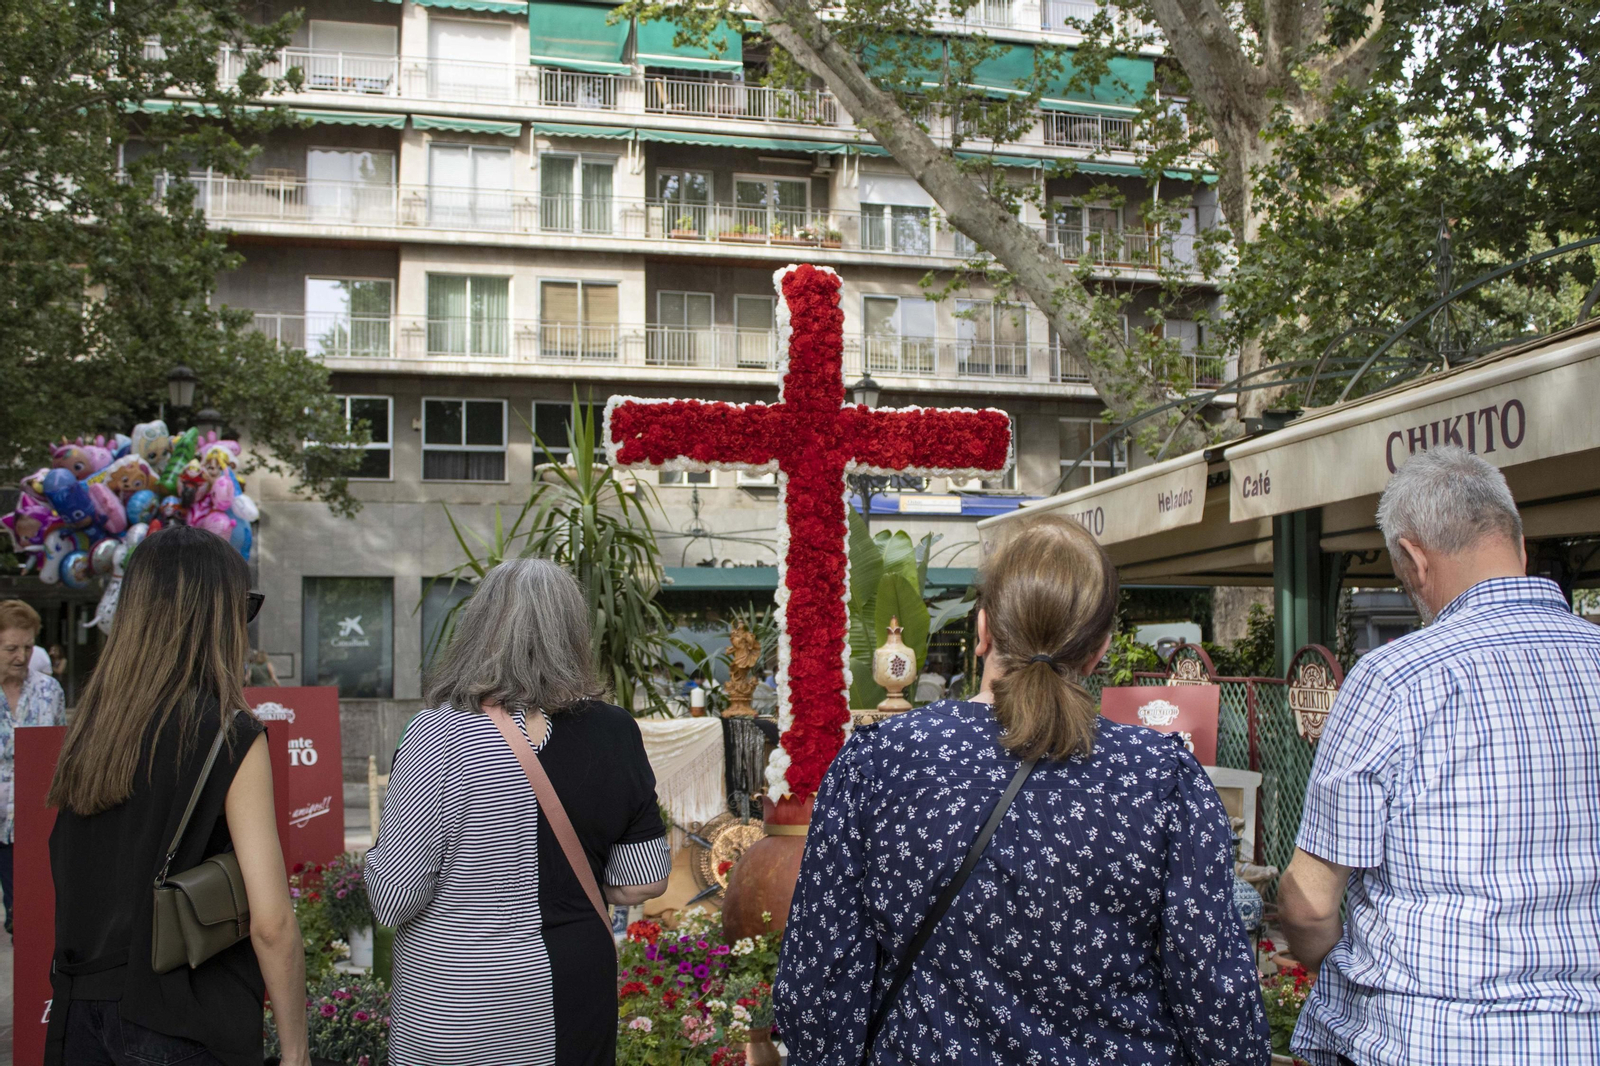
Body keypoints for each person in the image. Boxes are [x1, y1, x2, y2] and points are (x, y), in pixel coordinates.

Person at [775, 515, 1269, 1065]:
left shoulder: (881, 760)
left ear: (983, 629)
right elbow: (1215, 995)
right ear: (1099, 649)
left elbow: (817, 989)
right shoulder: (1162, 777)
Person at [1279, 446, 1600, 1065]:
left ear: (1416, 559)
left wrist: (1334, 971)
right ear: (1519, 544)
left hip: (1429, 1035)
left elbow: (1309, 902)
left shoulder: (1394, 678)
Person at [366, 557, 671, 1066]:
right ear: (574, 634)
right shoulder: (615, 730)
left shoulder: (437, 735)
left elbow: (395, 897)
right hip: (577, 993)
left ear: (478, 629)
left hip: (464, 1007)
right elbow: (644, 880)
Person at [44, 527, 309, 1066]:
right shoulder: (228, 734)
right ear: (216, 615)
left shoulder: (90, 729)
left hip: (79, 1016)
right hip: (181, 1022)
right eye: (246, 606)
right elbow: (272, 923)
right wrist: (297, 1051)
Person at [0, 599, 66, 936]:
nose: (21, 656)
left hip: (31, 819)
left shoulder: (49, 691)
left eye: (28, 647)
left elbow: (57, 754)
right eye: (11, 648)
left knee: (23, 920)